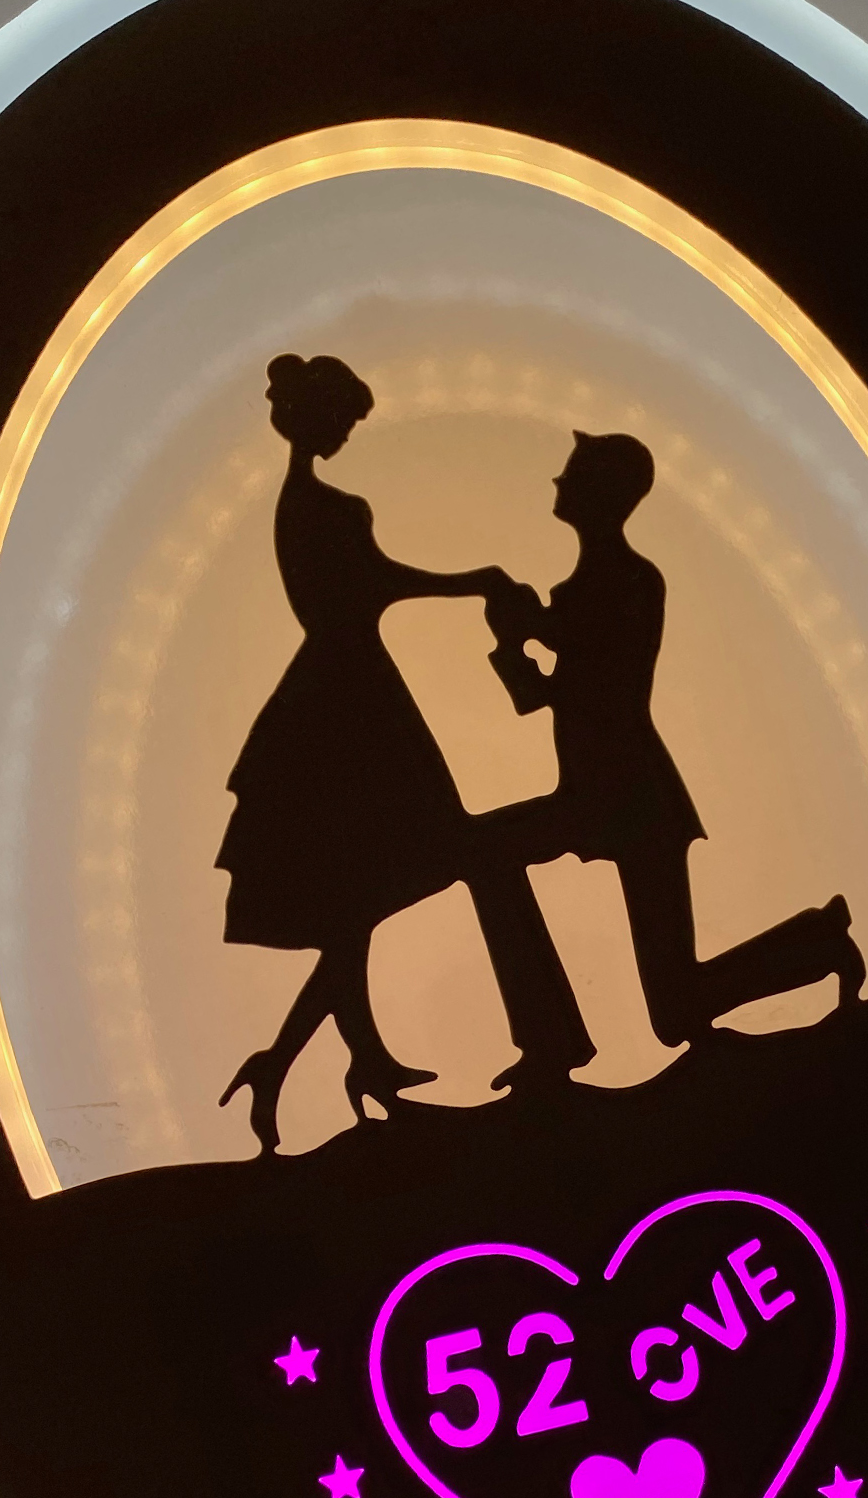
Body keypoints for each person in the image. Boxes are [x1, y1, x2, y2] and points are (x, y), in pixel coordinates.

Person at [219, 354, 594, 1155]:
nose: (347, 434)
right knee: (384, 882)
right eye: (343, 421)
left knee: (357, 901)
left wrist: (470, 583)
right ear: (319, 419)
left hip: (347, 693)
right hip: (348, 705)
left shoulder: (305, 502)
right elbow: (371, 587)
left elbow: (370, 587)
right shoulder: (318, 505)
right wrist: (474, 581)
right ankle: (334, 1061)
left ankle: (321, 1061)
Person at [480, 430, 866, 1049]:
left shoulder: (631, 581)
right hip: (594, 795)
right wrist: (512, 641)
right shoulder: (580, 592)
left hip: (632, 798)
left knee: (675, 1012)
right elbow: (540, 697)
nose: (558, 481)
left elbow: (608, 684)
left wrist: (535, 629)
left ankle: (819, 944)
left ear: (601, 494)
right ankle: (816, 941)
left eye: (572, 473)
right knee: (673, 1002)